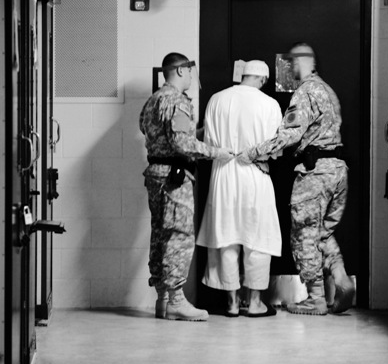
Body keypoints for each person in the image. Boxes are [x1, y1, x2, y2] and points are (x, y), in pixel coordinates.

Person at [238, 43, 355, 315]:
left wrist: (253, 153)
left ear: (301, 63)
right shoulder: (328, 90)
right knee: (322, 232)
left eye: (290, 64)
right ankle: (340, 277)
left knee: (304, 235)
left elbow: (289, 135)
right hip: (337, 171)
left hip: (315, 174)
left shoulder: (305, 92)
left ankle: (315, 299)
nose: (287, 70)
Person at [139, 52, 233, 322]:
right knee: (178, 237)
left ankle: (162, 300)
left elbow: (150, 130)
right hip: (174, 177)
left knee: (160, 235)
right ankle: (177, 301)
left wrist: (195, 134)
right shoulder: (177, 101)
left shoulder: (153, 100)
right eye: (191, 72)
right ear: (180, 71)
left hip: (156, 174)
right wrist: (216, 152)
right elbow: (181, 143)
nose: (192, 78)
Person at [197, 60, 282, 317]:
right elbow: (276, 148)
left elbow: (209, 142)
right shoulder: (270, 104)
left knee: (227, 238)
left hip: (223, 174)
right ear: (263, 79)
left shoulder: (217, 100)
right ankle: (255, 303)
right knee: (258, 239)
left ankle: (232, 303)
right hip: (256, 174)